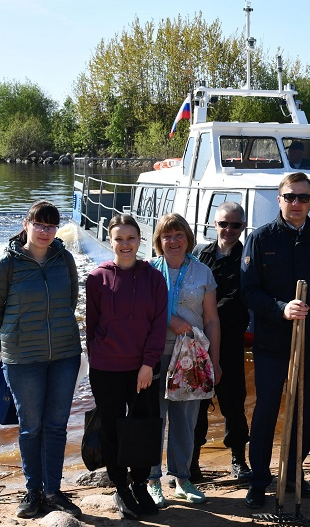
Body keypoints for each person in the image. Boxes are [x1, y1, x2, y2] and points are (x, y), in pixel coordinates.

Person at [241, 172, 310, 509]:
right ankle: (258, 480)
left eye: (303, 197)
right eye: (290, 197)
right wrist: (281, 309)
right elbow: (249, 291)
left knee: (301, 412)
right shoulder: (260, 238)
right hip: (271, 342)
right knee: (267, 411)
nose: (296, 203)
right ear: (279, 199)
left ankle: (293, 476)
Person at [0, 200, 83, 518]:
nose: (45, 231)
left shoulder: (64, 259)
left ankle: (52, 491)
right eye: (39, 224)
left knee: (56, 426)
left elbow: (70, 299)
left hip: (65, 355)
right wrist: (8, 346)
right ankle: (32, 492)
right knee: (31, 427)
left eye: (51, 226)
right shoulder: (6, 265)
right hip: (23, 360)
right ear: (26, 224)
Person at [85, 214, 168, 519]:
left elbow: (159, 325)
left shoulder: (154, 278)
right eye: (119, 239)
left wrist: (148, 364)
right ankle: (120, 487)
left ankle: (140, 485)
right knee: (112, 428)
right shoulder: (97, 278)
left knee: (144, 427)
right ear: (110, 240)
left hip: (142, 368)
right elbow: (92, 326)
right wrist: (98, 358)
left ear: (140, 240)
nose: (125, 244)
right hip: (106, 368)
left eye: (130, 238)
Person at [146, 213, 221, 507]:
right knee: (154, 419)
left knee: (185, 421)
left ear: (188, 238)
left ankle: (182, 479)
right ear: (159, 241)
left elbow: (212, 319)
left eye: (178, 235)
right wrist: (170, 320)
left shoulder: (203, 272)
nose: (173, 241)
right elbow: (140, 313)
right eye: (167, 236)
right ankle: (152, 480)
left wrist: (214, 361)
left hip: (191, 356)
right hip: (154, 354)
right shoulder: (149, 270)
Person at [191, 202, 251, 482]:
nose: (228, 230)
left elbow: (243, 296)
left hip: (230, 342)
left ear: (242, 227)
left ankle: (238, 460)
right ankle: (192, 462)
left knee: (233, 403)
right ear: (214, 224)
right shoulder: (200, 256)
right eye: (223, 224)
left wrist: (211, 313)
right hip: (198, 342)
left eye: (235, 225)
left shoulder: (248, 258)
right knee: (196, 403)